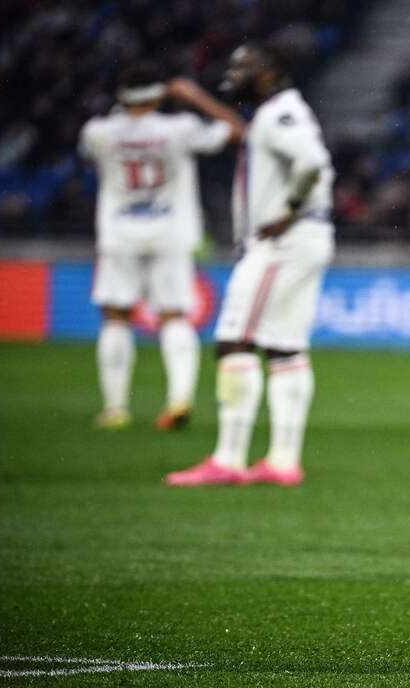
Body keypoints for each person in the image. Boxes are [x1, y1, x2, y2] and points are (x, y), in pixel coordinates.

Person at [166, 42, 335, 487]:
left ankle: (228, 458)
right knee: (285, 348)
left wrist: (289, 210)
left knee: (235, 342)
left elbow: (313, 163)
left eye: (244, 65)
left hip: (283, 242)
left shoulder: (280, 114)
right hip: (305, 238)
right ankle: (282, 461)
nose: (234, 71)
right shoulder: (284, 110)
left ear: (271, 71)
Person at [80, 62, 244, 431]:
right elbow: (237, 132)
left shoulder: (99, 131)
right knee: (174, 315)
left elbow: (91, 151)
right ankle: (179, 399)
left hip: (119, 230)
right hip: (172, 230)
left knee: (116, 316)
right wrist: (196, 97)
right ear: (158, 95)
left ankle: (115, 408)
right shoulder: (179, 129)